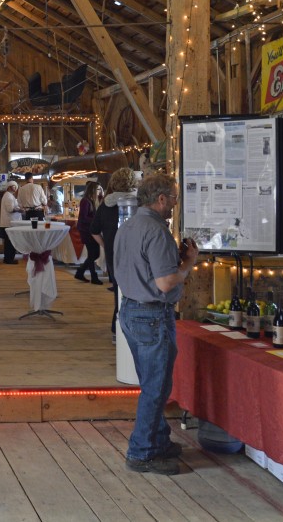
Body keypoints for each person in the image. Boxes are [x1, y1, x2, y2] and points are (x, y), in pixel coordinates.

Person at [114, 173, 198, 476]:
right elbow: (164, 283)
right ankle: (141, 452)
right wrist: (187, 264)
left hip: (130, 312)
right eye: (174, 197)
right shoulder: (157, 231)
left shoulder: (127, 227)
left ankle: (159, 441)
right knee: (156, 388)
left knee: (152, 385)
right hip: (152, 316)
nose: (175, 203)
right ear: (161, 199)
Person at [90, 167, 138, 342]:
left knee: (119, 291)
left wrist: (105, 245)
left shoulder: (106, 204)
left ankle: (117, 329)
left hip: (113, 253)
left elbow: (94, 230)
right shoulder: (138, 202)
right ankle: (131, 328)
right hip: (135, 253)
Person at [74, 181, 104, 285]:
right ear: (93, 190)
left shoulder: (92, 200)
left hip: (90, 230)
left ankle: (81, 272)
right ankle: (93, 277)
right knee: (93, 254)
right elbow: (83, 218)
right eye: (98, 189)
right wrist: (96, 219)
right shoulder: (85, 201)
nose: (99, 191)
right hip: (86, 231)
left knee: (94, 254)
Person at [0, 181, 21, 264]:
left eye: (16, 187)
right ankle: (9, 259)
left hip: (10, 223)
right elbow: (10, 209)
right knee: (10, 242)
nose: (15, 188)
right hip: (9, 223)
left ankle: (9, 258)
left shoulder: (10, 196)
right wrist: (20, 210)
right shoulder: (8, 196)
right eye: (13, 186)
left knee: (9, 242)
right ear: (9, 187)